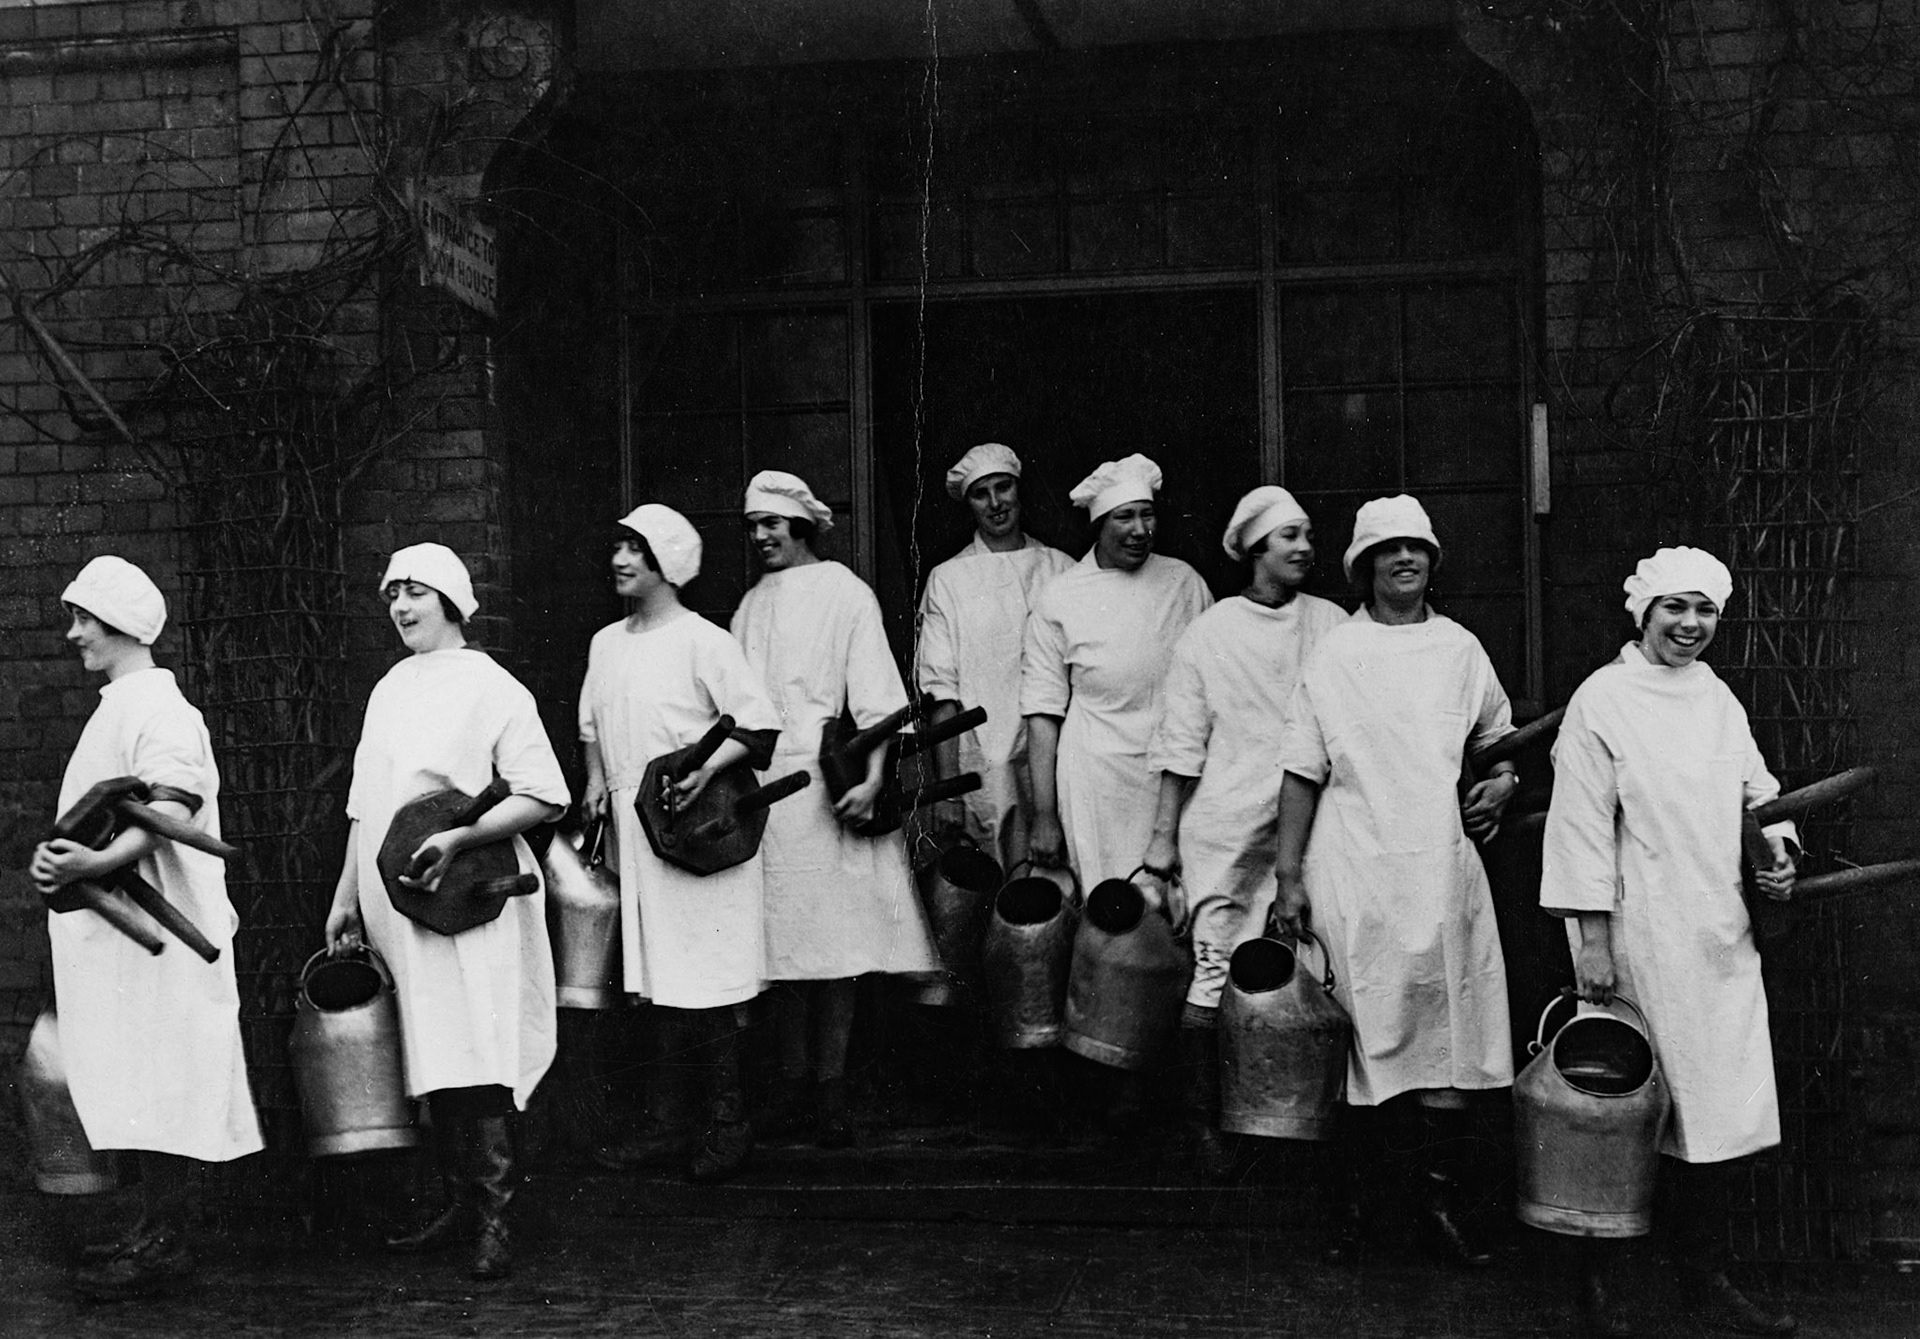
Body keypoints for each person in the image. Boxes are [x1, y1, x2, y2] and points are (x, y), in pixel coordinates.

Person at [1540, 547, 1798, 1337]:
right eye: (1675, 609)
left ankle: (1705, 1279)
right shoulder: (1603, 700)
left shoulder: (1717, 698)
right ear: (1643, 612)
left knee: (1716, 1111)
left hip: (1717, 933)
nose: (1691, 625)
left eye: (1705, 611)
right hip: (1634, 933)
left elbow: (1759, 793)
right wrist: (1590, 941)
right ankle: (1602, 1285)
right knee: (1612, 1109)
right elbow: (1580, 825)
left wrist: (1780, 854)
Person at [1273, 494, 1518, 1266]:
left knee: (1445, 1037)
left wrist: (1502, 780)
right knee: (1363, 1033)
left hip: (1440, 863)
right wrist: (1287, 876)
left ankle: (1437, 1209)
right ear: (1365, 567)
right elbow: (1301, 771)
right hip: (1353, 861)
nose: (1405, 560)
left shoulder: (1459, 649)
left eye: (1417, 549)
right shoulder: (1336, 654)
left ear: (1431, 563)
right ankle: (1362, 1215)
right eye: (1389, 551)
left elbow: (1498, 739)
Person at [324, 543, 567, 1282]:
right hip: (398, 894)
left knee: (478, 1040)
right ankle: (461, 1203)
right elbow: (365, 807)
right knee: (432, 1044)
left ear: (453, 600)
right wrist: (344, 897)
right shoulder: (390, 687)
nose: (400, 606)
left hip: (471, 894)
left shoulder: (493, 687)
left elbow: (543, 792)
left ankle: (497, 1213)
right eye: (392, 593)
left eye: (416, 592)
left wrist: (461, 834)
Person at [30, 556, 263, 1301]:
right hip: (125, 941)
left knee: (169, 1081)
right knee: (136, 1076)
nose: (73, 634)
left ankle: (166, 1240)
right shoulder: (118, 705)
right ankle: (148, 1231)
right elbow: (101, 814)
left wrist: (98, 856)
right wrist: (63, 859)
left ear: (123, 626)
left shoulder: (163, 711)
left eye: (84, 619)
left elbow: (174, 807)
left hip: (168, 938)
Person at [731, 470, 940, 1146]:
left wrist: (875, 777)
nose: (761, 536)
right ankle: (793, 1082)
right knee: (784, 947)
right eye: (753, 525)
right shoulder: (749, 606)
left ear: (801, 524)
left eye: (771, 523)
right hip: (767, 793)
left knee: (839, 948)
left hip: (830, 785)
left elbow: (880, 700)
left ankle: (831, 1087)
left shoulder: (847, 594)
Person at [1143, 488, 1344, 1178]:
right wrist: (1163, 836)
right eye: (1289, 536)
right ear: (1255, 548)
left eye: (1309, 535)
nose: (1305, 548)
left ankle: (1298, 1122)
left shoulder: (1332, 624)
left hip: (1311, 822)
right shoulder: (1210, 632)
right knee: (1216, 965)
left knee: (1307, 966)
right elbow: (1180, 740)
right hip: (1225, 822)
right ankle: (1205, 1124)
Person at [579, 505, 781, 1183]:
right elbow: (590, 723)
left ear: (667, 560)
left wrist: (702, 773)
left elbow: (757, 725)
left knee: (710, 979)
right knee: (659, 983)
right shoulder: (606, 642)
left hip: (698, 839)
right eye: (617, 543)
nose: (620, 558)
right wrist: (594, 782)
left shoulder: (705, 640)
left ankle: (729, 1122)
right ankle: (668, 1125)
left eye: (635, 547)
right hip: (636, 841)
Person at [1021, 453, 1213, 890]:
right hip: (1095, 777)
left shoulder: (1184, 583)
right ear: (1098, 524)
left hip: (1174, 772)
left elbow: (1212, 684)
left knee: (1174, 902)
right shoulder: (1060, 597)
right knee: (1107, 905)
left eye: (1147, 516)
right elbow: (1042, 713)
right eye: (1125, 517)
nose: (1140, 531)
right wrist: (1045, 815)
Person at [915, 443, 1074, 871]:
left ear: (1019, 490)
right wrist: (949, 788)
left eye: (1003, 488)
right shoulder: (949, 579)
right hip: (984, 760)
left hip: (1060, 755)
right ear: (968, 503)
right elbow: (940, 688)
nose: (995, 503)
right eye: (981, 494)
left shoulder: (1061, 569)